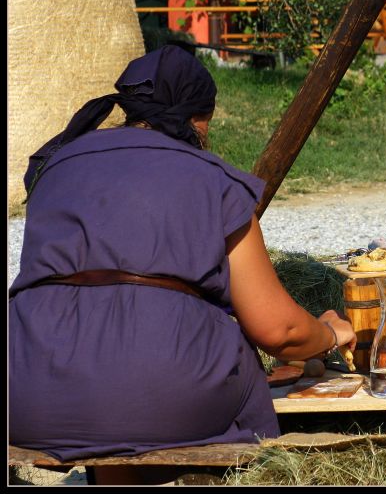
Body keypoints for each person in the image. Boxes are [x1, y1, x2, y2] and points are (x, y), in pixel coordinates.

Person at [8, 44, 356, 484]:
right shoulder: (213, 179)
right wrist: (327, 332)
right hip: (159, 400)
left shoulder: (56, 166)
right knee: (196, 360)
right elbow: (279, 332)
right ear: (198, 119)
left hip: (26, 395)